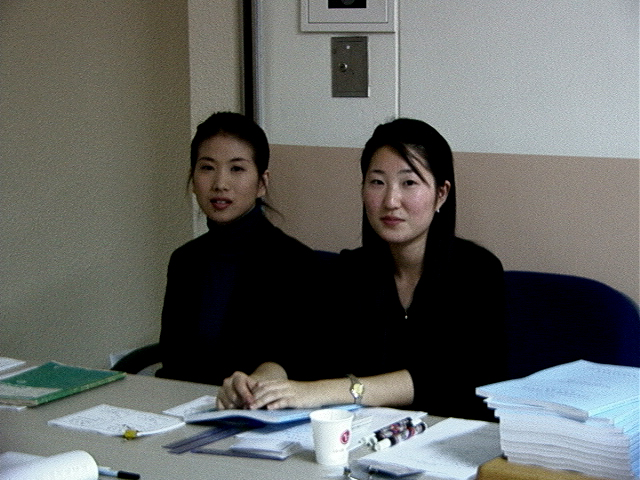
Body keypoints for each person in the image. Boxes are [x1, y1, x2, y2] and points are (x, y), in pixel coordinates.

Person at [217, 118, 507, 421]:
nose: (390, 201)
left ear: (441, 193)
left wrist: (332, 391)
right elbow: (297, 349)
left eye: (409, 183)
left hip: (453, 438)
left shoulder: (477, 271)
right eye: (377, 182)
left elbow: (450, 376)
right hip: (364, 437)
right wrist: (260, 382)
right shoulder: (348, 272)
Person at [156, 111, 322, 387]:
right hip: (187, 405)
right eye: (207, 168)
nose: (220, 184)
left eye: (237, 169)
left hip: (256, 407)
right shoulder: (185, 260)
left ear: (262, 183)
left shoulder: (296, 263)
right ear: (193, 179)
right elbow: (173, 362)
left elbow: (299, 363)